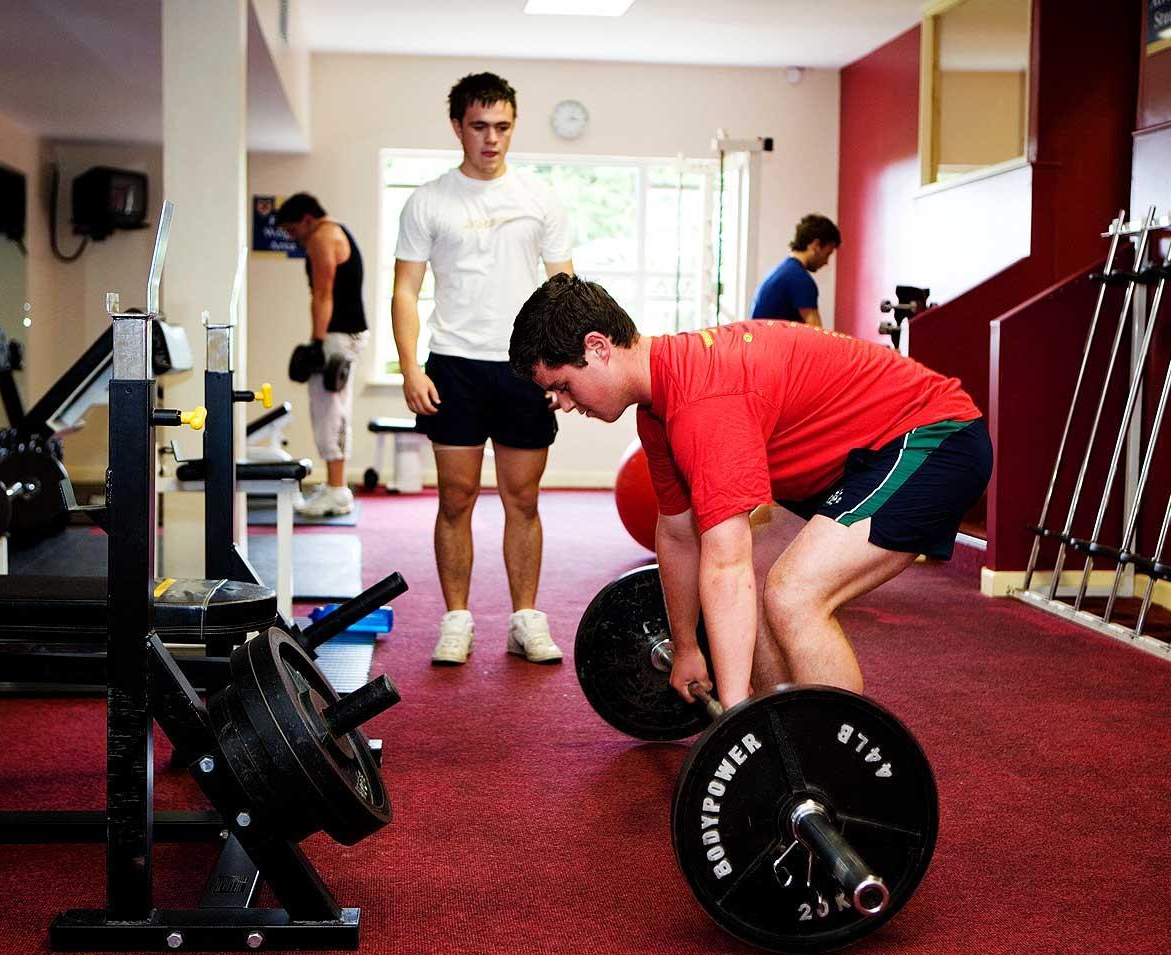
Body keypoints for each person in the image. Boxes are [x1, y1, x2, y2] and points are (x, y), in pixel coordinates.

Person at [509, 274, 991, 708]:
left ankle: (839, 771)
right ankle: (779, 736)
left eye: (565, 386)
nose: (566, 405)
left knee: (793, 593)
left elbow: (725, 560)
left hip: (932, 438)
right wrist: (687, 648)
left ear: (598, 347)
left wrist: (732, 715)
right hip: (850, 463)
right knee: (761, 574)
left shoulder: (704, 401)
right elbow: (678, 536)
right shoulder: (657, 411)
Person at [391, 71, 574, 667]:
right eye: (479, 126)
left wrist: (563, 369)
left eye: (502, 126)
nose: (491, 138)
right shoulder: (428, 200)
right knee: (456, 497)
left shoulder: (540, 198)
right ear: (457, 127)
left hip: (524, 368)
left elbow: (562, 288)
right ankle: (457, 620)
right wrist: (409, 367)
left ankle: (525, 619)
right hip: (455, 367)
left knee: (523, 499)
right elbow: (405, 289)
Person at [276, 192, 368, 517]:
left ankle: (337, 491)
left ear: (306, 220)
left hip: (336, 337)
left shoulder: (320, 237)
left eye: (292, 230)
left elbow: (323, 293)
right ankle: (335, 486)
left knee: (330, 412)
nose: (293, 238)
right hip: (347, 334)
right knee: (336, 410)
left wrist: (316, 342)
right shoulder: (337, 230)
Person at [750, 214, 841, 327]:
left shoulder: (781, 271)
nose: (826, 262)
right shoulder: (800, 279)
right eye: (827, 254)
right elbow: (817, 334)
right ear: (816, 245)